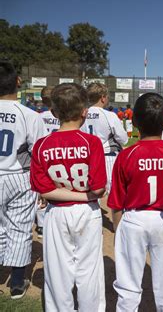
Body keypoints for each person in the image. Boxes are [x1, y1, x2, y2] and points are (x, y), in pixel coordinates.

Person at [30, 83, 107, 311]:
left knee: (57, 272)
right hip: (87, 212)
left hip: (56, 212)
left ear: (53, 113)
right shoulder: (91, 142)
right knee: (89, 270)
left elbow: (43, 190)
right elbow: (98, 188)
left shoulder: (42, 145)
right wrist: (85, 197)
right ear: (84, 111)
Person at [107, 93, 163, 311]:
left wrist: (119, 230)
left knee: (128, 287)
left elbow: (116, 203)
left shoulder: (126, 155)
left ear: (135, 122)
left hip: (133, 219)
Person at [0, 60, 45, 299]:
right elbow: (38, 153)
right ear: (17, 82)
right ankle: (17, 284)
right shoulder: (29, 114)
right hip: (18, 175)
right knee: (19, 228)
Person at [81, 83, 128, 193]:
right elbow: (123, 139)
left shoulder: (81, 114)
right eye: (107, 97)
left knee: (91, 193)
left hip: (86, 157)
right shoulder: (109, 115)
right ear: (102, 98)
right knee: (113, 194)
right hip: (107, 157)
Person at [36, 86, 60, 238]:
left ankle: (40, 225)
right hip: (58, 155)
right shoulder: (62, 115)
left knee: (41, 190)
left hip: (42, 153)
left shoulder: (37, 116)